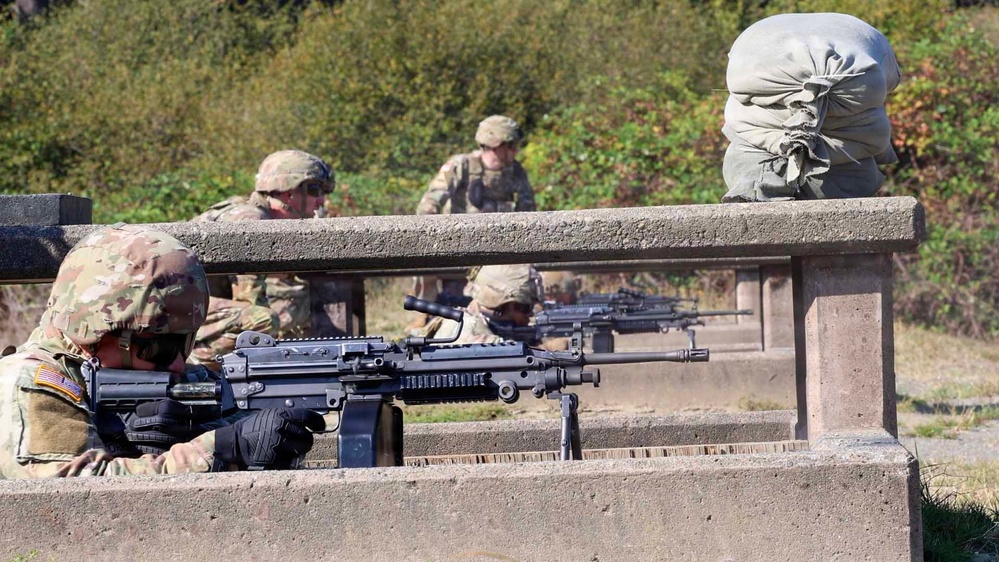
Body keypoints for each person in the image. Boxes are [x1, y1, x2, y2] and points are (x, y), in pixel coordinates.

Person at [0, 224, 324, 478]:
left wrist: (265, 427)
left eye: (185, 342)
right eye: (161, 346)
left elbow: (244, 422)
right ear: (95, 332)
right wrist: (218, 450)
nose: (179, 363)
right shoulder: (30, 382)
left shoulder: (160, 375)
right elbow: (69, 491)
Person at [190, 149, 334, 366]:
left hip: (192, 306)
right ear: (288, 192)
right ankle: (200, 365)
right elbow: (250, 300)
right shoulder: (252, 221)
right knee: (263, 321)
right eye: (314, 190)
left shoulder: (258, 214)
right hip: (178, 308)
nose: (321, 200)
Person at [410, 115, 537, 330]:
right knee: (424, 269)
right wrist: (431, 238)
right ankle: (424, 315)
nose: (516, 151)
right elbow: (430, 202)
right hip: (455, 246)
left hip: (497, 250)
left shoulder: (516, 172)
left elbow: (529, 212)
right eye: (512, 145)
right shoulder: (462, 165)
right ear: (497, 145)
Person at [421, 264, 542, 345]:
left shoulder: (480, 321)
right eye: (525, 308)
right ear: (503, 304)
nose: (530, 314)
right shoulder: (467, 330)